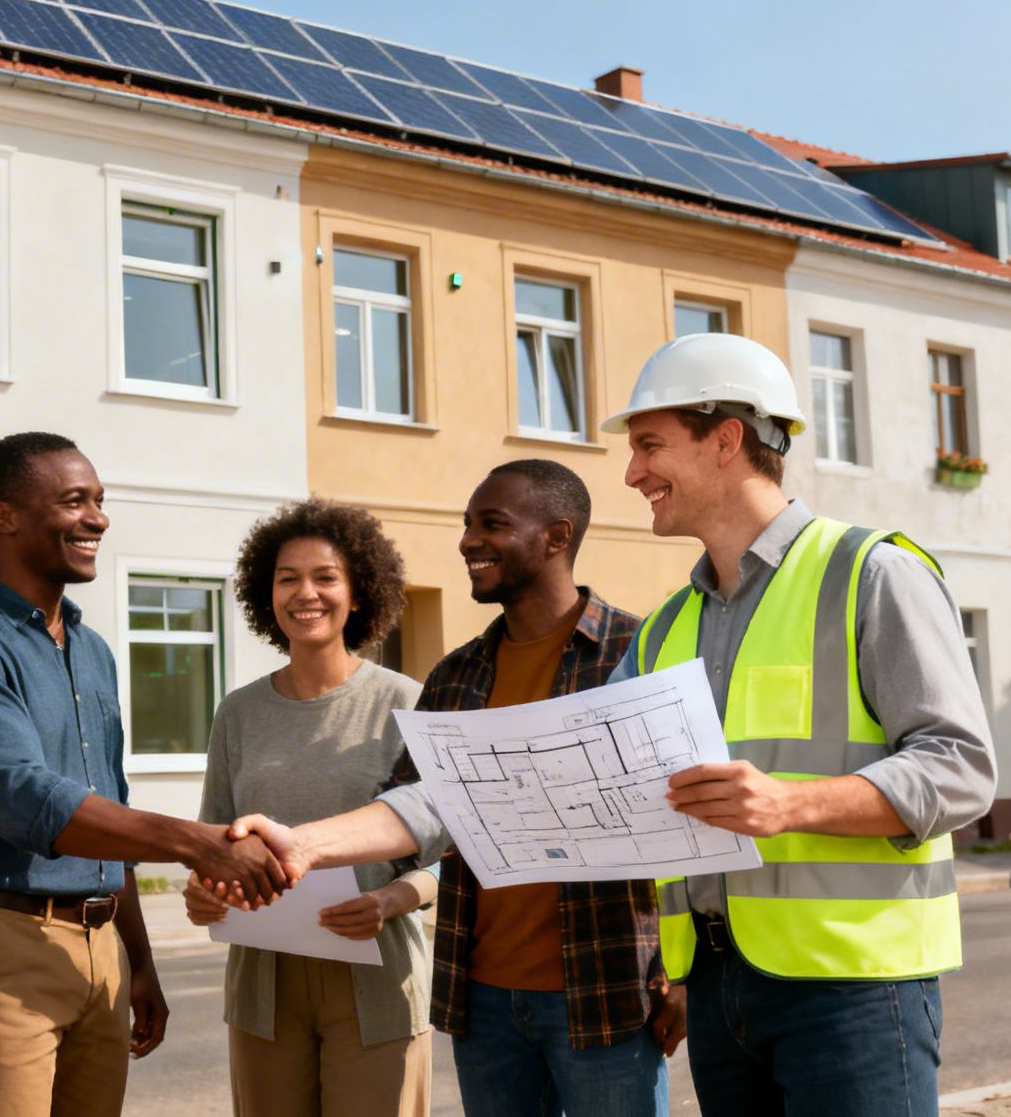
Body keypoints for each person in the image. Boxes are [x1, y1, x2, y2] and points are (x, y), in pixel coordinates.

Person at [602, 331, 996, 1116]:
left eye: (650, 445)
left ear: (727, 440)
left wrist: (790, 805)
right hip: (715, 987)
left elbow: (961, 768)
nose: (632, 472)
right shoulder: (661, 632)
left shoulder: (872, 573)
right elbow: (592, 772)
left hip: (853, 988)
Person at [218, 460, 676, 1117]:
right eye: (466, 525)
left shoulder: (638, 653)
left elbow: (685, 819)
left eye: (491, 524)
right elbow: (414, 809)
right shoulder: (456, 676)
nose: (467, 541)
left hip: (605, 990)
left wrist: (685, 970)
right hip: (483, 1002)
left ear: (556, 537)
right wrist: (302, 846)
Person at [0, 432, 289, 1117]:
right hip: (2, 941)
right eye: (75, 501)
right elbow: (27, 799)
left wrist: (138, 959)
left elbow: (111, 807)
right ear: (6, 516)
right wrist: (196, 841)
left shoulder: (93, 651)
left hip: (102, 946)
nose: (99, 519)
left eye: (100, 502)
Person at [181, 499, 436, 1117]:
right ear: (265, 593)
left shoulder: (409, 703)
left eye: (326, 577)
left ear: (358, 593)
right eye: (287, 578)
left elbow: (459, 853)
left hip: (378, 978)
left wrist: (390, 899)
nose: (306, 593)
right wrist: (201, 893)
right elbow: (212, 843)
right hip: (262, 987)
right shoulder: (237, 712)